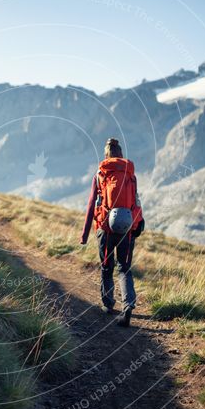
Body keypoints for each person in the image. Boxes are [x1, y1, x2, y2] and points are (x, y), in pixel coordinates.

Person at [80, 138, 144, 327]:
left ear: (106, 155)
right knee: (124, 268)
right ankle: (128, 305)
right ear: (121, 154)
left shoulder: (100, 174)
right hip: (128, 229)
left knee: (107, 266)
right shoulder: (130, 174)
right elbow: (136, 201)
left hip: (105, 229)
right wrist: (138, 222)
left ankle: (108, 304)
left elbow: (92, 204)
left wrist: (84, 235)